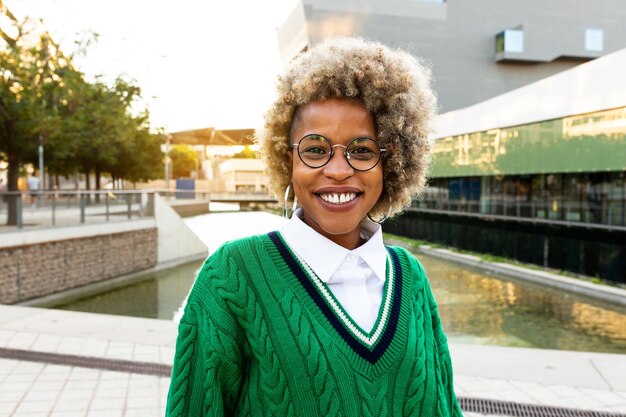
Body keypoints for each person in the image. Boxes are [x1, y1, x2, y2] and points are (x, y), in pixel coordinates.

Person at [166, 37, 462, 416]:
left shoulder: (412, 278)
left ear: (393, 163)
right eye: (315, 149)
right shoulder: (232, 275)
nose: (338, 170)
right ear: (285, 158)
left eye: (362, 150)